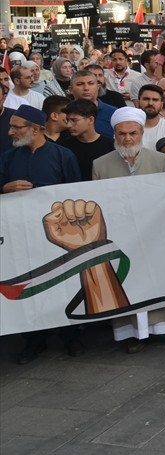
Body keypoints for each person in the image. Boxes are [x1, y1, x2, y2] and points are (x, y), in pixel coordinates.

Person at [94, 108, 165, 354]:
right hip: (121, 236)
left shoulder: (159, 160)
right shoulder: (100, 164)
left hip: (155, 233)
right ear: (114, 135)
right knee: (127, 282)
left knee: (163, 278)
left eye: (132, 133)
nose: (127, 139)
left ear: (141, 133)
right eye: (122, 134)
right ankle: (134, 333)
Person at [0, 105, 85, 363]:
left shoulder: (63, 155)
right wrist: (5, 188)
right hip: (21, 237)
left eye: (16, 127)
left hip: (58, 238)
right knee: (29, 286)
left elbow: (76, 195)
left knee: (64, 284)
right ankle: (33, 341)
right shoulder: (7, 158)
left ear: (34, 129)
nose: (10, 131)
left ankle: (71, 336)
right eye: (11, 126)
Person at [60, 99, 114, 181]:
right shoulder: (62, 148)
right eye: (67, 120)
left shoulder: (111, 146)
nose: (69, 125)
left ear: (91, 120)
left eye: (74, 120)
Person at [136, 84, 165, 150]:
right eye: (146, 99)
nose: (150, 103)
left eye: (155, 100)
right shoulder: (127, 128)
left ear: (161, 105)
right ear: (137, 102)